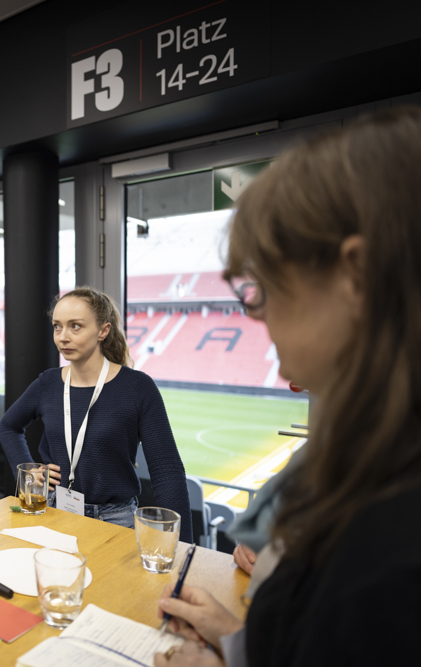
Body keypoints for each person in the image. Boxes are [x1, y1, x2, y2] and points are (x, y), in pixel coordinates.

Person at [154, 108, 421, 666]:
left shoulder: (390, 548)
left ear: (357, 275)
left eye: (266, 285)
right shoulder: (375, 467)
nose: (258, 316)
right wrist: (244, 641)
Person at [0, 287, 191, 537]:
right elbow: (9, 426)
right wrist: (27, 472)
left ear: (103, 331)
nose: (62, 337)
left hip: (115, 521)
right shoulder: (48, 384)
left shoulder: (137, 388)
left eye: (75, 326)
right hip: (57, 512)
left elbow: (167, 470)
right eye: (57, 326)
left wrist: (185, 547)